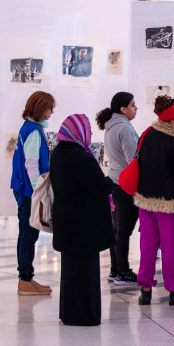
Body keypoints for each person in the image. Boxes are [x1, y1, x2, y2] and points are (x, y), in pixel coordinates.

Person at [49, 114, 115, 326]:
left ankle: (69, 313)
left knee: (71, 273)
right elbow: (99, 187)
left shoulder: (59, 152)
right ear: (79, 131)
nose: (91, 133)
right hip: (83, 226)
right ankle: (84, 315)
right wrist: (111, 181)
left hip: (68, 222)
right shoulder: (80, 157)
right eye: (88, 129)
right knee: (85, 274)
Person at [135, 95, 174, 306]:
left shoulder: (147, 134)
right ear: (172, 119)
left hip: (146, 201)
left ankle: (145, 289)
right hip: (170, 205)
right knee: (172, 247)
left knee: (148, 245)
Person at [10, 91, 56, 296]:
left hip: (23, 188)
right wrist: (40, 191)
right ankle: (25, 279)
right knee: (29, 235)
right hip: (30, 192)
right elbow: (31, 164)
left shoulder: (27, 128)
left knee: (26, 234)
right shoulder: (34, 130)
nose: (51, 112)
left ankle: (26, 277)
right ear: (39, 108)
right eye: (48, 108)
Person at [95, 92, 140, 286]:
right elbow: (133, 161)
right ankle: (123, 271)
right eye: (132, 105)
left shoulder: (111, 127)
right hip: (126, 184)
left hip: (114, 181)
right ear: (123, 109)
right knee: (124, 230)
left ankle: (115, 269)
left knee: (117, 229)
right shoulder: (124, 128)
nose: (135, 108)